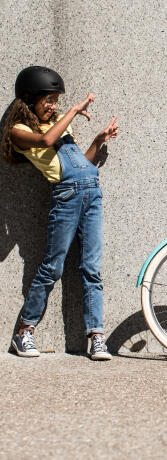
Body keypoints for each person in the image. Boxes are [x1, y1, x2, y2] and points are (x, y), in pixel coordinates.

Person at [1, 66, 119, 360]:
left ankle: (96, 337)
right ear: (28, 99)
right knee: (53, 267)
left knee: (91, 269)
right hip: (65, 197)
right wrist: (75, 110)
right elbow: (45, 142)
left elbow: (83, 164)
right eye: (49, 100)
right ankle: (24, 332)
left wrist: (98, 141)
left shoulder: (60, 125)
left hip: (91, 192)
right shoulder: (21, 131)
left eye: (56, 100)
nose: (54, 106)